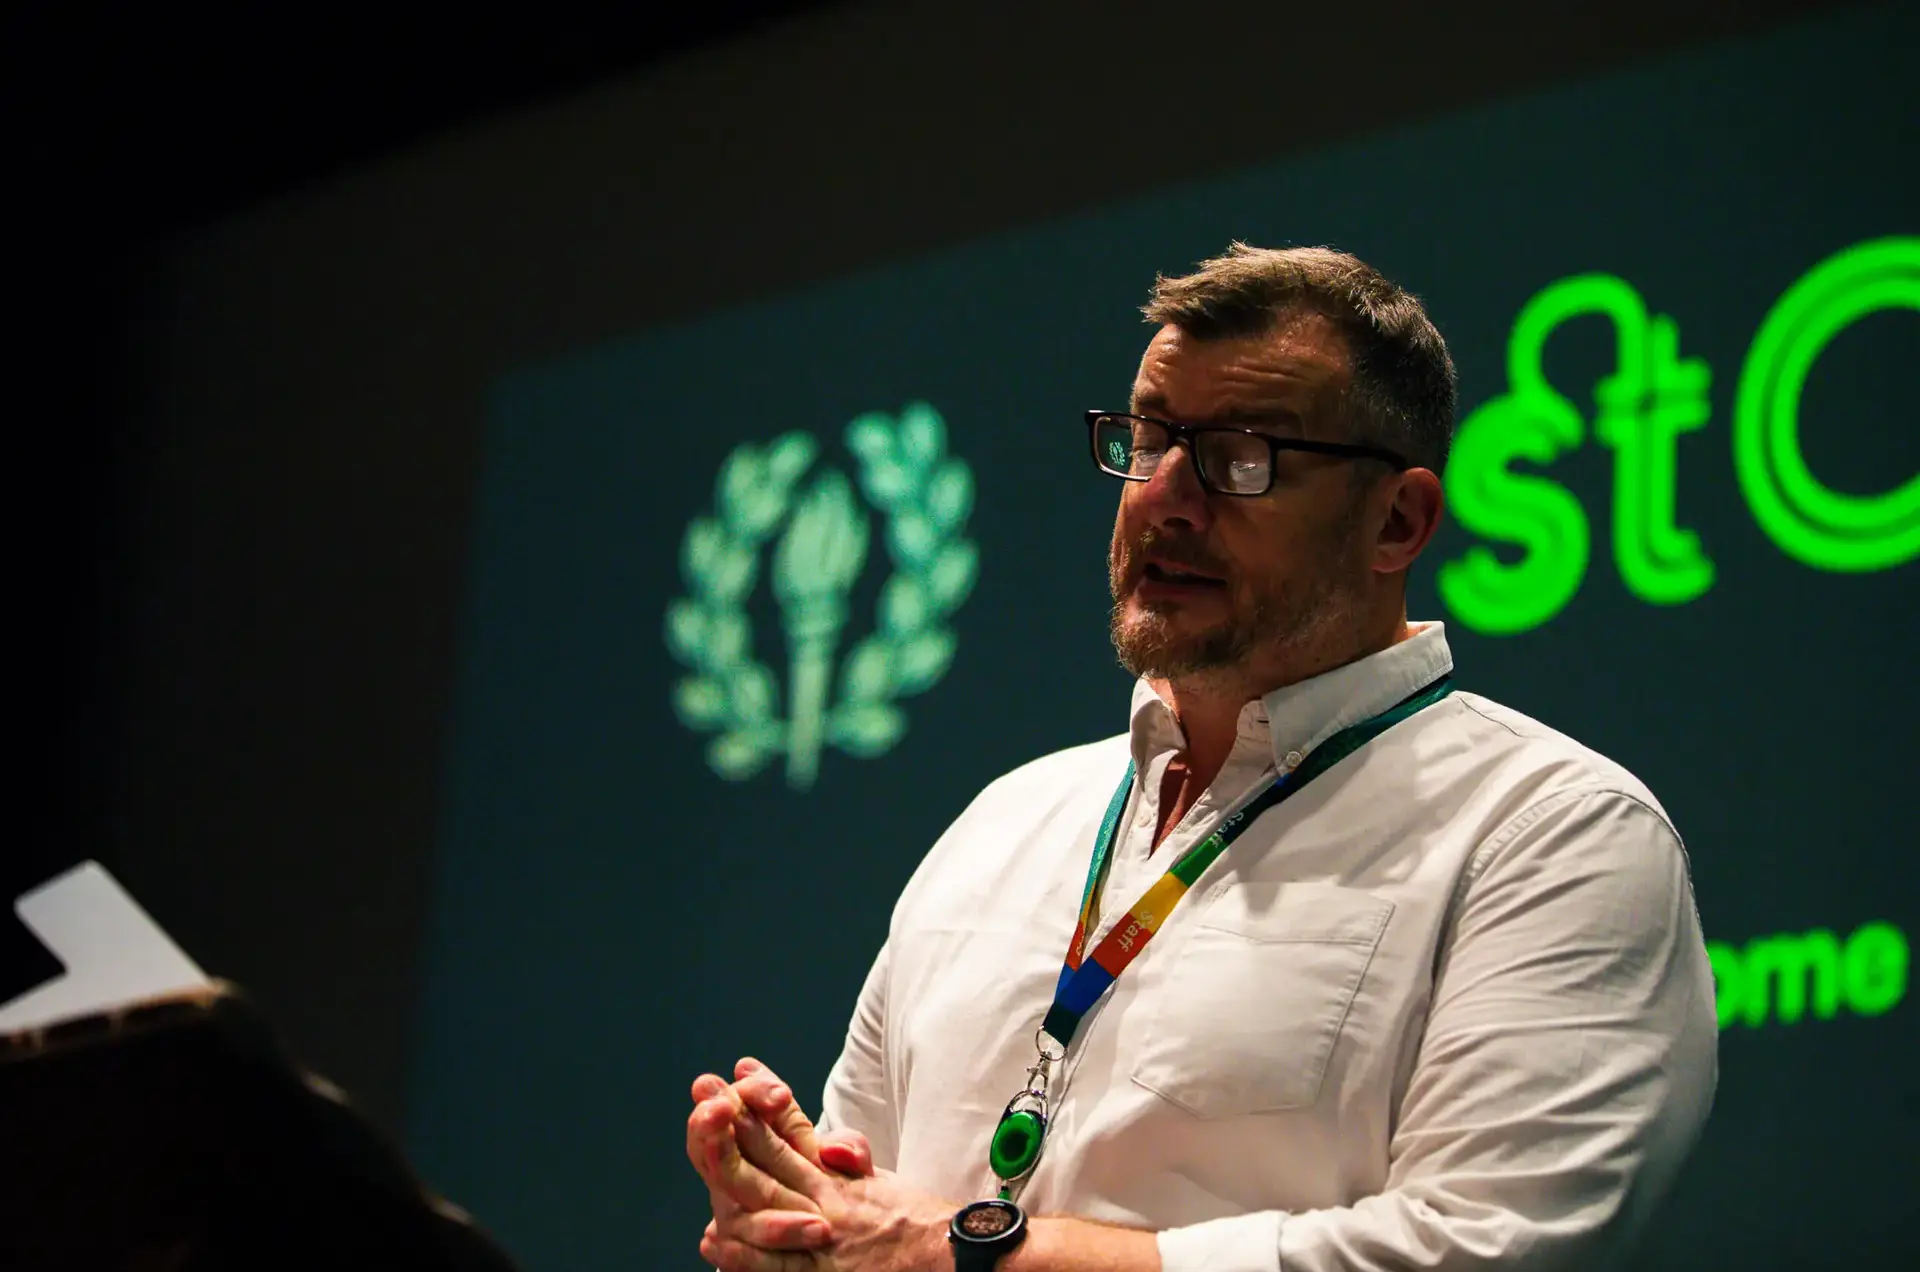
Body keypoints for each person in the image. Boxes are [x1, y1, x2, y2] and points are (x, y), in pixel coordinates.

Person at [683, 244, 1718, 1272]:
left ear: (1396, 521)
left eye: (1240, 458)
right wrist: (795, 1219)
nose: (1165, 498)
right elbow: (869, 1228)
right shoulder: (1003, 824)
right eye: (1148, 438)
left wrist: (965, 1255)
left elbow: (1485, 1248)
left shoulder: (1552, 833)